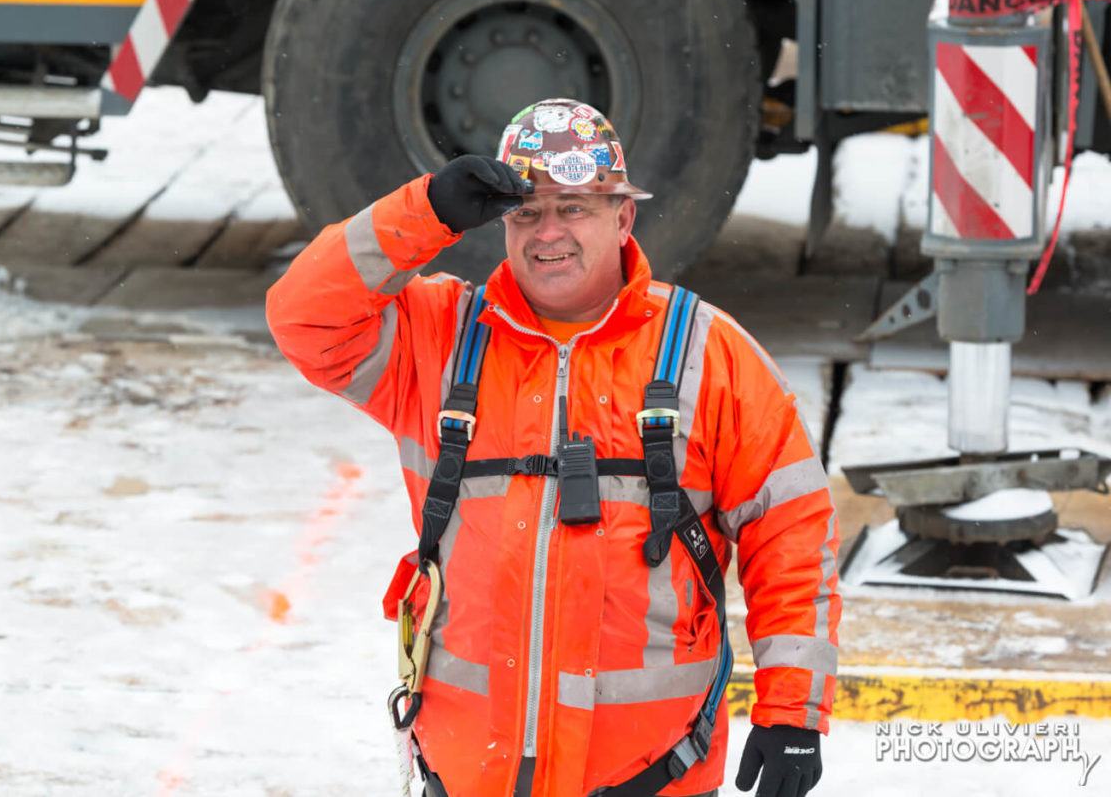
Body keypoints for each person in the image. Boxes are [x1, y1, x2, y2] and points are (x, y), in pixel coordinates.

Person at [266, 98, 840, 797]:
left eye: (574, 208)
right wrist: (428, 209)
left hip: (656, 778)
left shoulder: (705, 352)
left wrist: (793, 710)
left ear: (623, 217)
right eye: (526, 213)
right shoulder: (440, 339)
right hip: (468, 777)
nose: (548, 234)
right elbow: (303, 318)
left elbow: (793, 534)